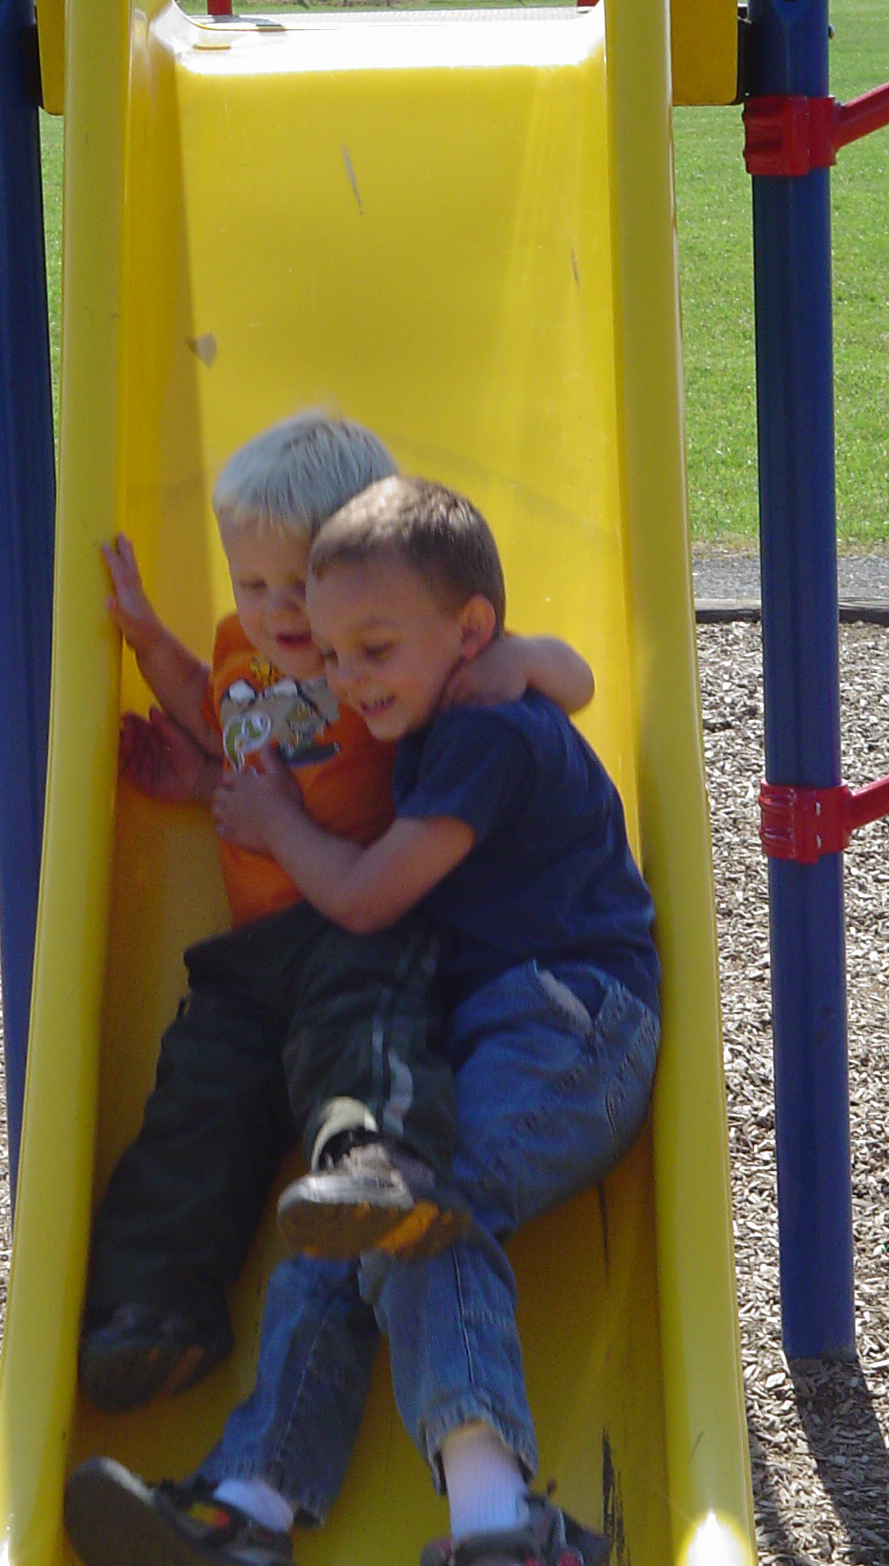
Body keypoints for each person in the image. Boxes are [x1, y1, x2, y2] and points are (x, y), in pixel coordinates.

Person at [64, 476, 660, 1566]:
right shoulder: (432, 714)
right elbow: (327, 757)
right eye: (332, 653)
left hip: (567, 1020)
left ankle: (508, 1530)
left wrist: (275, 819)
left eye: (376, 649)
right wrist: (210, 783)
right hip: (500, 1026)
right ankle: (250, 1508)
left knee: (412, 1209)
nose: (350, 678)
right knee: (337, 1239)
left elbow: (365, 893)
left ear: (471, 635)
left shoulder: (486, 733)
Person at [78, 416, 593, 1422]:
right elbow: (214, 712)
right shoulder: (240, 651)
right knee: (198, 1095)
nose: (276, 611)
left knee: (365, 1034)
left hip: (361, 922)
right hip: (247, 954)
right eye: (252, 581)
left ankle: (376, 1161)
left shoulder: (377, 666)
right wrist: (150, 645)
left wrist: (527, 654)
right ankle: (154, 1304)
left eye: (296, 584)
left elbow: (566, 687)